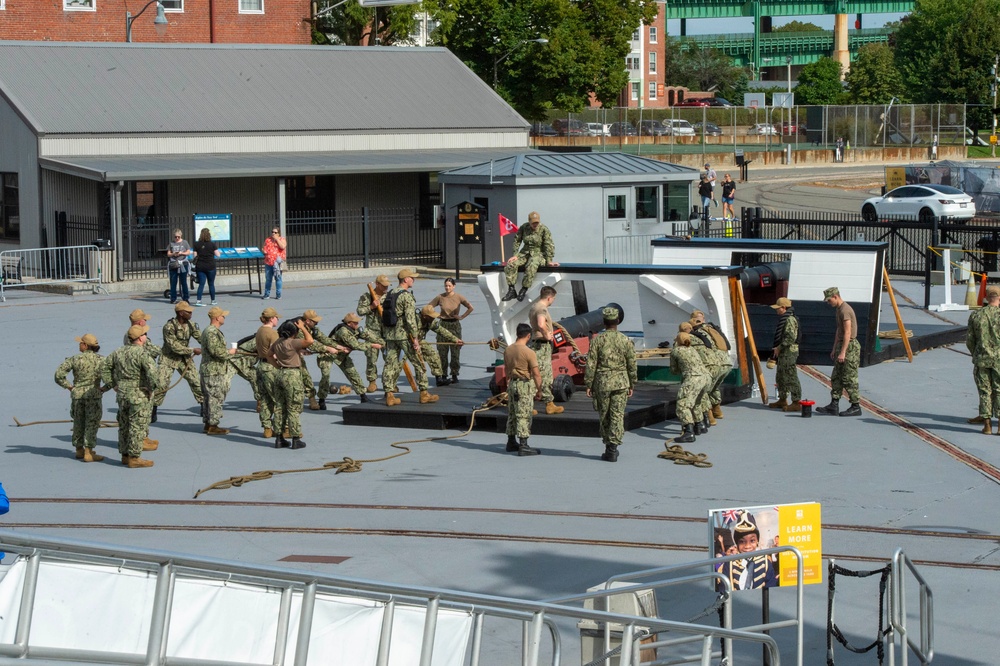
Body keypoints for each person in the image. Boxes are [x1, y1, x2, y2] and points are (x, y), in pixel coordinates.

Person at [102, 325, 162, 468]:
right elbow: (153, 374)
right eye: (145, 334)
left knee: (124, 425)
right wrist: (152, 388)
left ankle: (124, 455)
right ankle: (134, 457)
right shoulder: (142, 354)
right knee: (137, 426)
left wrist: (112, 384)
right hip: (138, 394)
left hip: (122, 393)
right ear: (140, 338)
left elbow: (104, 367)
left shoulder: (118, 352)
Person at [584, 306, 636, 463]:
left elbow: (591, 364)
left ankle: (608, 446)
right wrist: (632, 383)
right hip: (621, 382)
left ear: (603, 322)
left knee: (604, 414)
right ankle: (613, 447)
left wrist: (588, 383)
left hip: (602, 382)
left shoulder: (597, 340)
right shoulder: (625, 340)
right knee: (617, 415)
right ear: (618, 321)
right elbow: (632, 364)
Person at [383, 269, 437, 406]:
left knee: (390, 364)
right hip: (404, 335)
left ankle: (389, 395)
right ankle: (424, 393)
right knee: (418, 362)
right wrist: (415, 338)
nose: (414, 280)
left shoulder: (389, 294)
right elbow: (410, 319)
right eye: (412, 278)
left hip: (390, 335)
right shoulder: (406, 296)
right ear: (406, 279)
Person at [54, 333, 107, 463]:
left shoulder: (75, 359)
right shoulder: (102, 360)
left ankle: (79, 449)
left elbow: (58, 375)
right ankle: (88, 451)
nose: (79, 344)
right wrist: (104, 389)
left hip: (77, 395)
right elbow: (112, 377)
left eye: (80, 342)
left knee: (78, 421)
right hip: (93, 395)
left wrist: (69, 387)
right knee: (92, 423)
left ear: (85, 345)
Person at [154, 301, 203, 422]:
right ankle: (152, 410)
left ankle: (204, 406)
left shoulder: (191, 325)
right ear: (181, 313)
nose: (191, 313)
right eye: (188, 311)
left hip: (184, 359)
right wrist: (192, 350)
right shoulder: (169, 327)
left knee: (196, 381)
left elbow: (201, 338)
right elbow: (174, 346)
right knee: (161, 384)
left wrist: (210, 346)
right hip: (168, 358)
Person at [817, 287, 862, 416]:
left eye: (829, 300)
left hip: (849, 347)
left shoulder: (845, 310)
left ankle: (855, 405)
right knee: (836, 376)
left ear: (836, 296)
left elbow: (848, 332)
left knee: (849, 377)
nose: (828, 302)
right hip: (842, 345)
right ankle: (834, 404)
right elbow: (839, 330)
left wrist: (843, 352)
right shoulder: (839, 309)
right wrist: (834, 348)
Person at [269, 319, 313, 449]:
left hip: (280, 374)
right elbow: (310, 341)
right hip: (292, 375)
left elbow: (268, 355)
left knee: (279, 407)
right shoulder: (293, 343)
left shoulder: (278, 342)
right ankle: (295, 438)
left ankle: (279, 437)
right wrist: (303, 328)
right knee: (293, 407)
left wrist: (277, 365)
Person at [299, 309, 350, 410]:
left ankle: (312, 399)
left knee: (306, 377)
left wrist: (338, 346)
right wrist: (327, 348)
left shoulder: (311, 328)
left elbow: (323, 339)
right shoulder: (299, 329)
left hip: (296, 353)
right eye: (315, 321)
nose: (317, 323)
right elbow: (311, 344)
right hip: (285, 354)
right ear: (308, 321)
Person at [502, 211, 558, 302]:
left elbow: (549, 245)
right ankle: (511, 290)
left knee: (531, 265)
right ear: (529, 222)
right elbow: (517, 241)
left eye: (537, 222)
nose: (535, 225)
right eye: (533, 223)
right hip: (525, 252)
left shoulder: (544, 229)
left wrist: (549, 260)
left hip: (538, 253)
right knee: (511, 264)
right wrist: (515, 255)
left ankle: (524, 289)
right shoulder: (524, 228)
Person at [504, 322, 541, 456]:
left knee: (512, 413)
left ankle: (511, 441)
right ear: (528, 335)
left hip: (512, 384)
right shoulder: (529, 352)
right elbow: (536, 374)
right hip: (524, 385)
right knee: (524, 415)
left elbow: (506, 369)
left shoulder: (508, 349)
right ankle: (524, 445)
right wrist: (540, 390)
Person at [966, 286, 1000, 434]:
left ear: (986, 297)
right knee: (999, 390)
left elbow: (969, 340)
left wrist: (976, 353)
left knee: (984, 390)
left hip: (982, 358)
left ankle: (987, 425)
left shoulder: (976, 315)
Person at [428, 277, 474, 384]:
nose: (447, 288)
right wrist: (436, 315)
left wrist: (462, 316)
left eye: (449, 285)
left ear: (454, 286)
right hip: (443, 324)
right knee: (442, 352)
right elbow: (429, 307)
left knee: (455, 351)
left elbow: (470, 307)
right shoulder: (440, 297)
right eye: (446, 285)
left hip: (455, 325)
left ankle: (454, 374)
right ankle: (443, 374)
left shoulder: (458, 297)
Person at [690, 310, 733, 422]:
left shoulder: (696, 332)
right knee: (714, 387)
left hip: (712, 364)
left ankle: (709, 416)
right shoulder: (713, 329)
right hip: (726, 363)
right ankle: (717, 411)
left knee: (703, 390)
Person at [330, 312, 383, 403]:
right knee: (325, 378)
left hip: (342, 356)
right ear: (349, 323)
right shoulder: (344, 332)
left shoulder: (354, 328)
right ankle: (320, 400)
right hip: (328, 355)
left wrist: (383, 342)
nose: (357, 324)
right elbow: (356, 345)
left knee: (353, 374)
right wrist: (372, 345)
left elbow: (367, 335)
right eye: (355, 323)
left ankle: (363, 397)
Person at [200, 306, 236, 435]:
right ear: (217, 318)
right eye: (222, 315)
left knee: (209, 397)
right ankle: (213, 425)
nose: (224, 317)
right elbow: (216, 351)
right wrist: (230, 352)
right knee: (215, 397)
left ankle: (209, 423)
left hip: (211, 370)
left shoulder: (210, 331)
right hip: (213, 371)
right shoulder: (211, 332)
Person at [669, 331, 710, 443]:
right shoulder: (692, 349)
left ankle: (688, 432)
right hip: (706, 377)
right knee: (696, 402)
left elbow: (674, 371)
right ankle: (700, 425)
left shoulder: (676, 351)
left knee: (682, 404)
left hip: (694, 378)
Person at [529, 285, 563, 415]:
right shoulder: (542, 309)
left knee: (538, 374)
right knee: (545, 375)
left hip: (536, 343)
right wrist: (546, 334)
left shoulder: (534, 306)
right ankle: (548, 404)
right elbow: (541, 324)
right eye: (553, 298)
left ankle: (547, 402)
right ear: (549, 298)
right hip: (542, 345)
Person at [725, 511, 779, 590]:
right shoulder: (729, 564)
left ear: (757, 541)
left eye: (752, 541)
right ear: (737, 544)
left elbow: (771, 590)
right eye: (742, 542)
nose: (747, 546)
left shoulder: (766, 563)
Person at [767, 297, 803, 412]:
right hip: (784, 352)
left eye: (778, 308)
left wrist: (779, 347)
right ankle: (782, 399)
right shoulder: (786, 318)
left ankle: (796, 402)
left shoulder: (790, 320)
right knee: (781, 376)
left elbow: (790, 337)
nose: (777, 310)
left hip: (789, 352)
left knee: (790, 376)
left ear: (784, 308)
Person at [357, 274, 391, 393]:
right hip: (372, 331)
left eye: (387, 286)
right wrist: (371, 306)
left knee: (389, 358)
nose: (386, 288)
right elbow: (360, 311)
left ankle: (390, 382)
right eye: (384, 286)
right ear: (377, 284)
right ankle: (372, 381)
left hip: (386, 331)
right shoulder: (367, 296)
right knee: (371, 358)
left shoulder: (390, 296)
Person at [417, 304, 463, 387]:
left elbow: (441, 330)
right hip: (405, 341)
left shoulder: (430, 321)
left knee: (433, 355)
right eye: (431, 316)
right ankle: (391, 386)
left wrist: (455, 339)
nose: (433, 318)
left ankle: (439, 379)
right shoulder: (413, 320)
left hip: (419, 340)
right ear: (424, 316)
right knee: (398, 363)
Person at [255, 306, 281, 438]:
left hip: (260, 366)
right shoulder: (272, 333)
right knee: (277, 399)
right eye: (276, 317)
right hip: (271, 367)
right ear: (271, 319)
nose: (277, 320)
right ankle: (278, 428)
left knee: (264, 398)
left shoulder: (259, 331)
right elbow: (274, 353)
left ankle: (266, 427)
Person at [192, 227, 220, 306]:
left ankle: (199, 300)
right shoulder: (212, 244)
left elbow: (194, 256)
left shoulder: (196, 244)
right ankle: (213, 300)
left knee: (201, 284)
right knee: (211, 284)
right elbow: (218, 255)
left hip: (200, 266)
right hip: (210, 266)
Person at [166, 228, 193, 304]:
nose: (177, 238)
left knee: (183, 281)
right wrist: (173, 254)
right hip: (174, 263)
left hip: (182, 263)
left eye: (178, 237)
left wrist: (181, 253)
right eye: (175, 237)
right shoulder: (171, 243)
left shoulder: (185, 242)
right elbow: (168, 253)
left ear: (181, 236)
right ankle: (173, 297)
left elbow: (188, 252)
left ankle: (185, 298)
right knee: (173, 282)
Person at [262, 226, 287, 300]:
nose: (273, 233)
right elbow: (264, 247)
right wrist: (264, 251)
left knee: (278, 278)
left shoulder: (282, 239)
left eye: (275, 232)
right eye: (272, 232)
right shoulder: (268, 240)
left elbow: (282, 246)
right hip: (268, 262)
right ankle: (267, 294)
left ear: (278, 233)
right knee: (268, 279)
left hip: (277, 263)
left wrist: (277, 240)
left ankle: (278, 294)